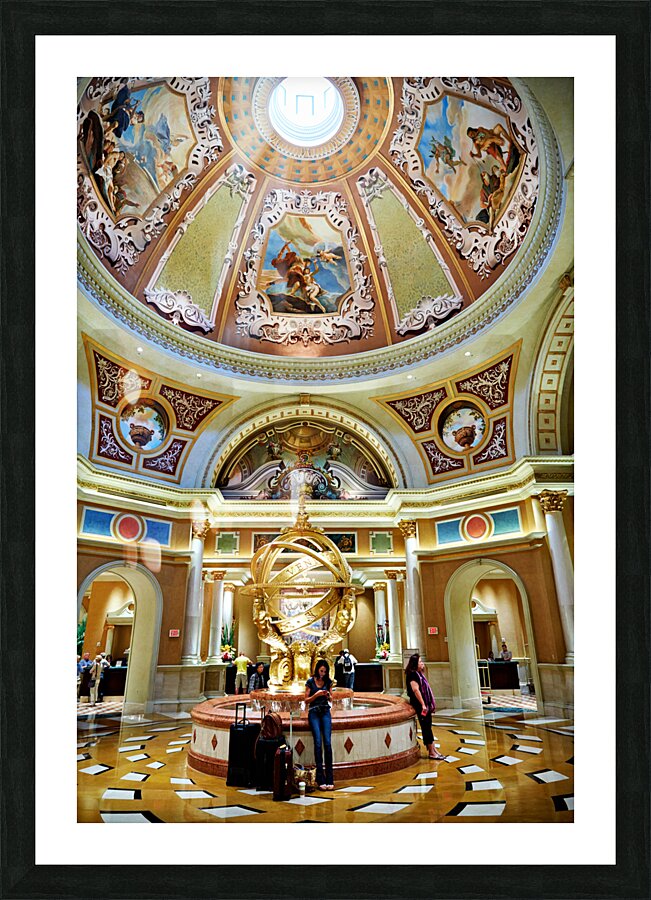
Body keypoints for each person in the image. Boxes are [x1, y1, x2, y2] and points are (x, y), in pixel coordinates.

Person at [405, 653, 445, 761]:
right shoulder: (413, 675)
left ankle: (434, 749)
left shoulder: (418, 674)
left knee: (428, 726)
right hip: (420, 705)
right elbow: (416, 690)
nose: (422, 663)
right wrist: (423, 704)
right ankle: (431, 752)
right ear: (415, 664)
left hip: (425, 704)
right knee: (426, 727)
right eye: (420, 662)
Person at [305, 659, 335, 790]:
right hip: (314, 712)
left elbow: (332, 698)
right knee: (318, 743)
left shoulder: (328, 682)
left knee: (327, 743)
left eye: (325, 671)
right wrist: (316, 695)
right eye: (321, 671)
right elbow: (306, 700)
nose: (323, 673)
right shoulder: (310, 682)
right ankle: (320, 778)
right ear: (317, 669)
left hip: (325, 712)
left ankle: (330, 778)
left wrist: (328, 695)